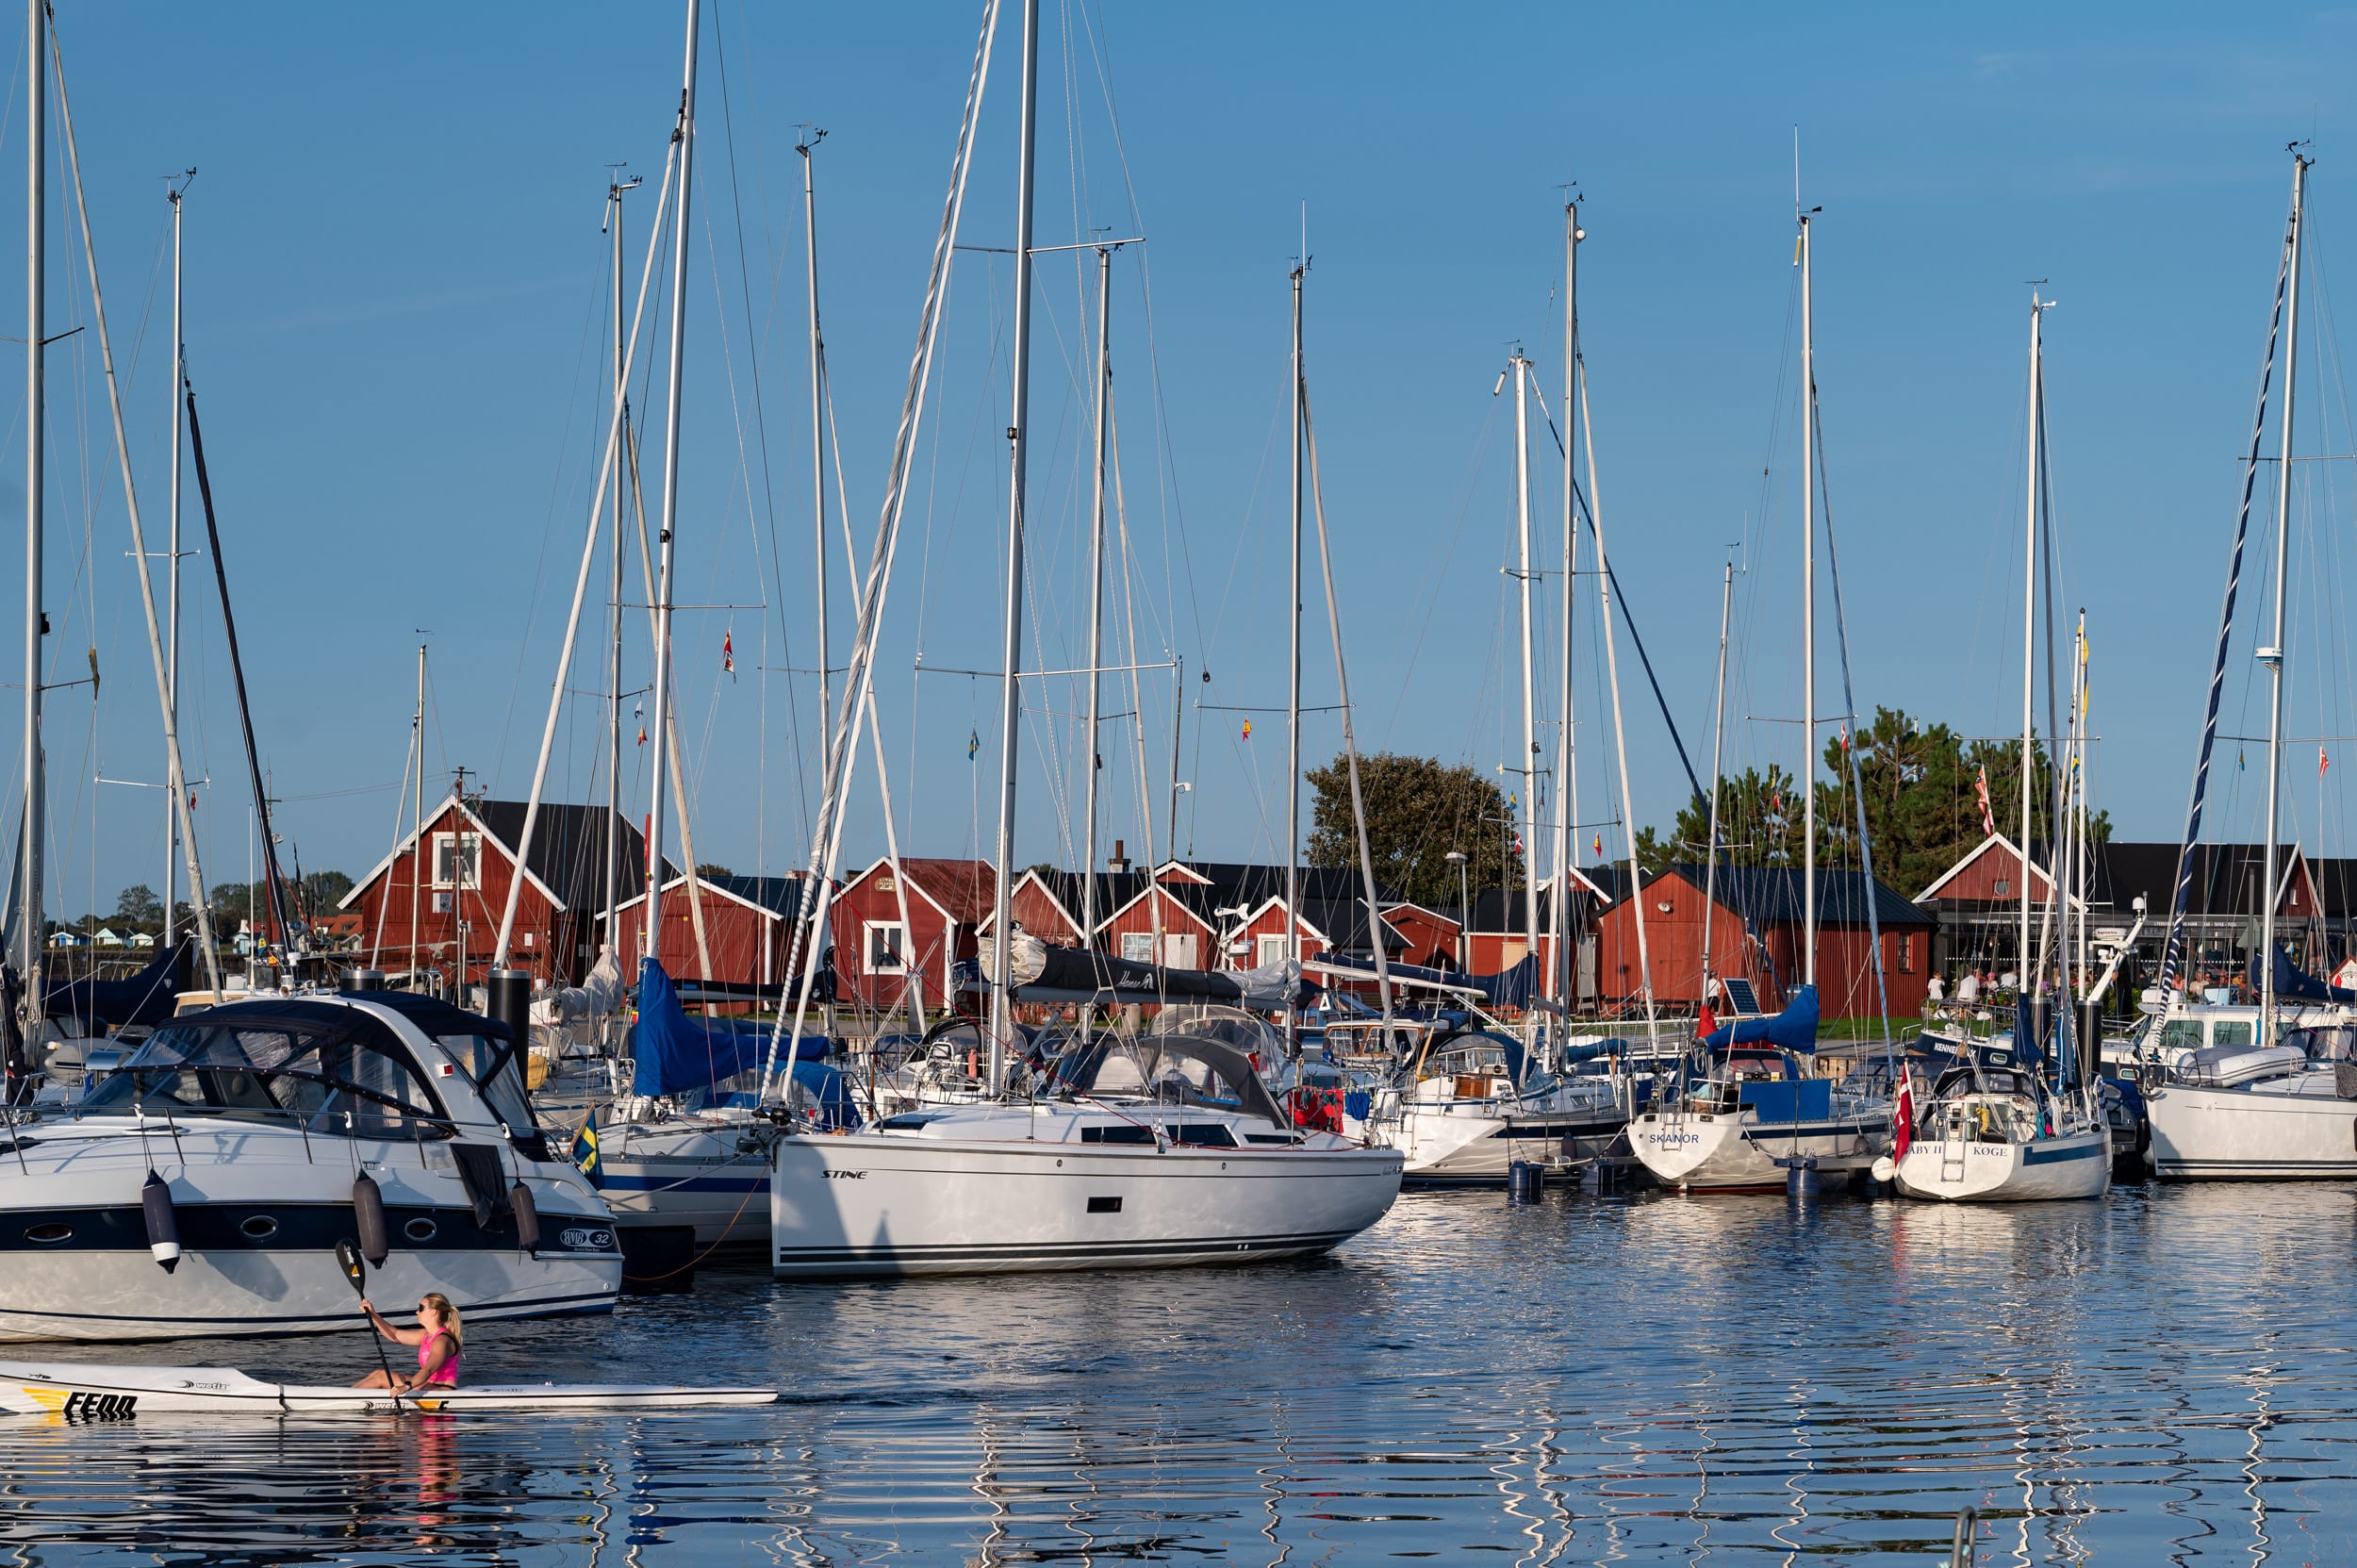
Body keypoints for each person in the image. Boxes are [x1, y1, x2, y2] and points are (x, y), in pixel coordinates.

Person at [353, 1293, 463, 1391]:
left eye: (421, 1308)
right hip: (429, 1385)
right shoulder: (424, 1335)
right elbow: (395, 1335)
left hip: (442, 1390)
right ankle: (342, 1395)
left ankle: (341, 1399)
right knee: (377, 1373)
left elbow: (429, 1369)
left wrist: (407, 1386)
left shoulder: (442, 1340)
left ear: (433, 1312)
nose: (417, 1312)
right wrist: (373, 1315)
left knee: (381, 1376)